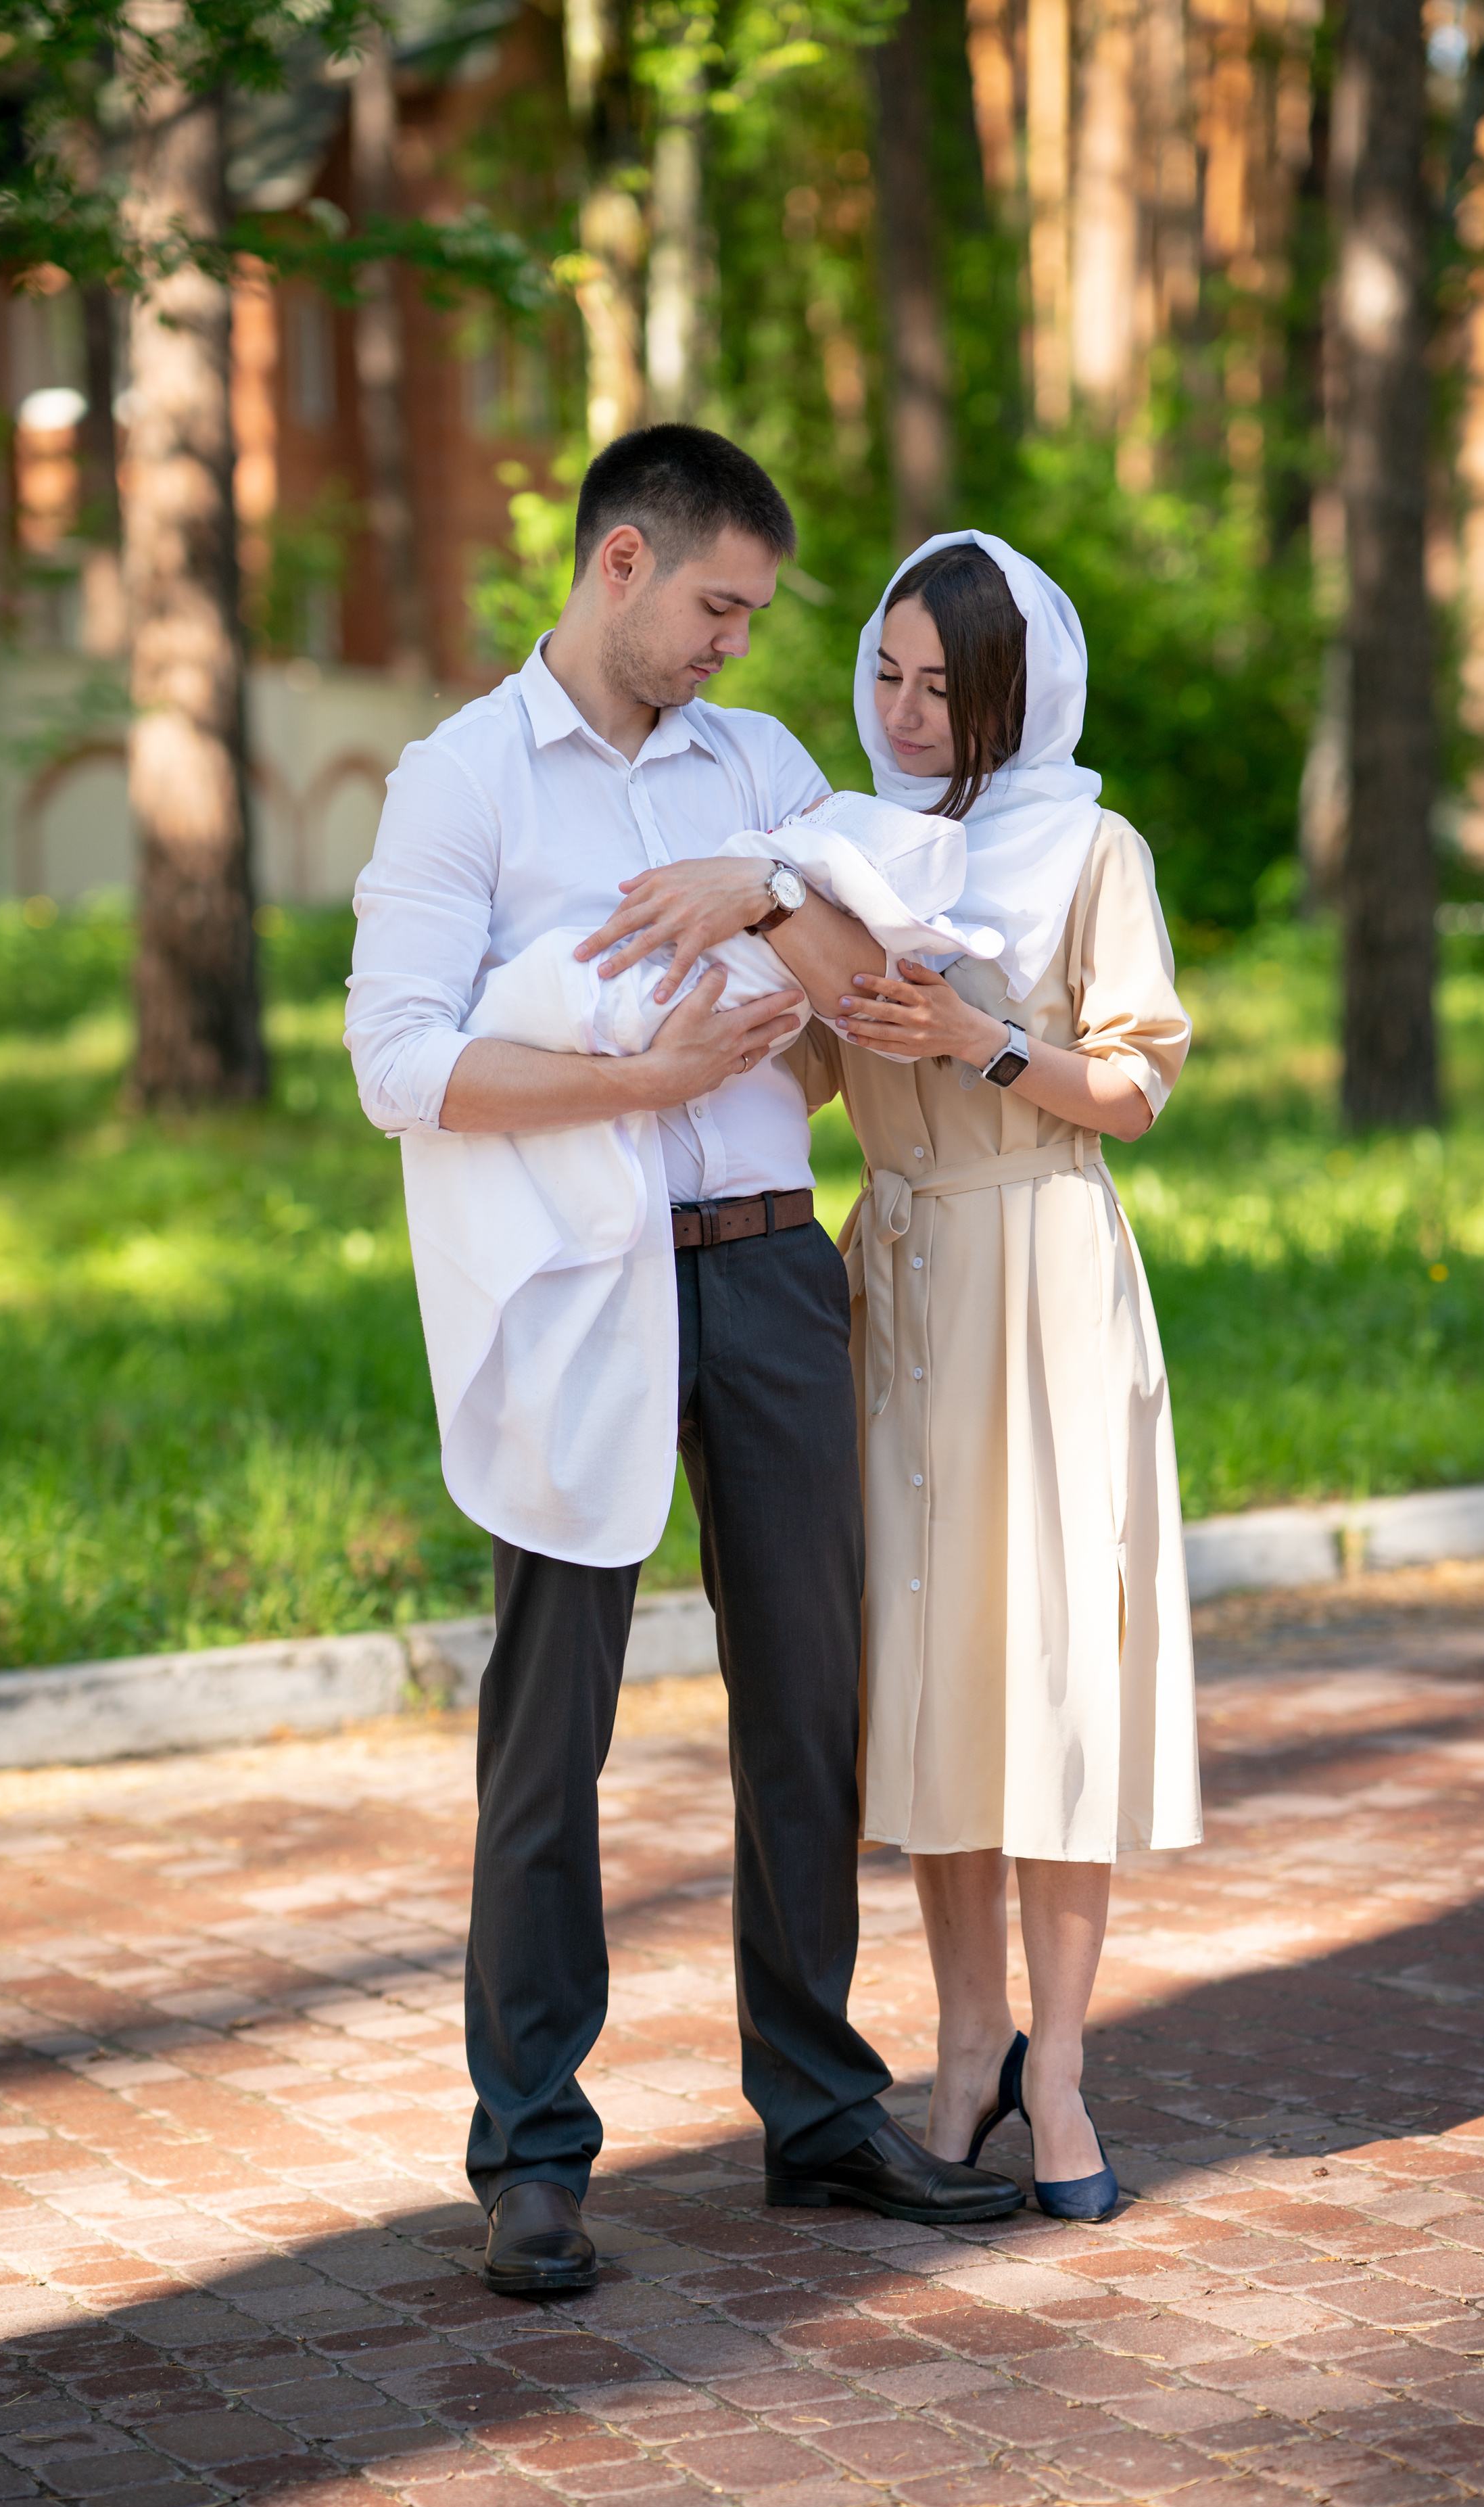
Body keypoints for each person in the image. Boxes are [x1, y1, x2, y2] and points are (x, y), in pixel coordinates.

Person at [345, 431, 1023, 2299]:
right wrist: (634, 1087)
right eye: (721, 607)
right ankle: (533, 2151)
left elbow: (864, 964)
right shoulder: (460, 782)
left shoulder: (764, 770)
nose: (739, 644)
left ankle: (817, 2113)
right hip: (579, 1282)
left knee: (811, 1698)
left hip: (774, 1274)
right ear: (623, 562)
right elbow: (399, 1063)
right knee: (550, 1716)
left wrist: (752, 887)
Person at [782, 532, 1203, 2223]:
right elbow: (812, 1071)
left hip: (1041, 1270)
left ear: (1010, 693)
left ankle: (1068, 2069)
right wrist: (790, 989)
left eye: (939, 685)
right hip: (891, 1267)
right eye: (883, 672)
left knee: (1052, 1674)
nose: (900, 710)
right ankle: (965, 2052)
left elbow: (1138, 1091)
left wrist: (981, 1040)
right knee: (934, 1673)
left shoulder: (1088, 847)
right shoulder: (846, 847)